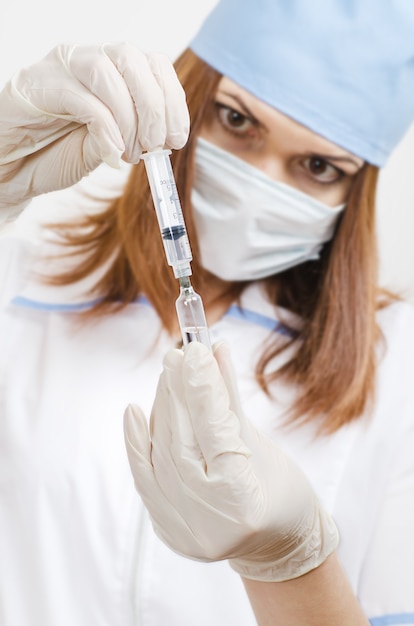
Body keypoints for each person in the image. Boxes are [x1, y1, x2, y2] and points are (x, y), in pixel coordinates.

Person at [0, 0, 414, 624]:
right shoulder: (20, 285)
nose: (258, 183)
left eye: (319, 165)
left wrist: (290, 561)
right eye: (235, 119)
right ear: (187, 96)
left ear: (354, 191)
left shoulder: (398, 366)